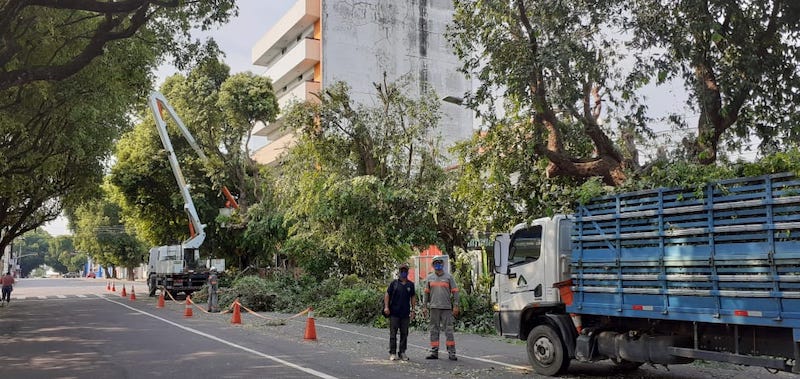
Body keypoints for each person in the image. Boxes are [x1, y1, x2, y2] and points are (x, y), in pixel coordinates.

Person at [423, 256, 460, 361]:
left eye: (439, 263)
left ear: (443, 265)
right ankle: (434, 352)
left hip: (446, 308)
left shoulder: (449, 277)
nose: (438, 265)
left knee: (448, 330)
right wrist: (425, 307)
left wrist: (456, 305)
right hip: (434, 308)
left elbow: (455, 291)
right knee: (434, 330)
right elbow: (426, 293)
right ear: (433, 265)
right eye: (435, 263)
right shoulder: (430, 278)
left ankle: (452, 353)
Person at [383, 263, 416, 361]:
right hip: (394, 313)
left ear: (407, 272)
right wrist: (386, 307)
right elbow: (387, 294)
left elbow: (413, 297)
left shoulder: (410, 285)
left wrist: (413, 310)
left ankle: (402, 352)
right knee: (393, 334)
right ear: (399, 272)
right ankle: (392, 352)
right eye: (402, 271)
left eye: (405, 271)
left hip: (405, 314)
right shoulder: (394, 283)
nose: (403, 273)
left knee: (404, 334)